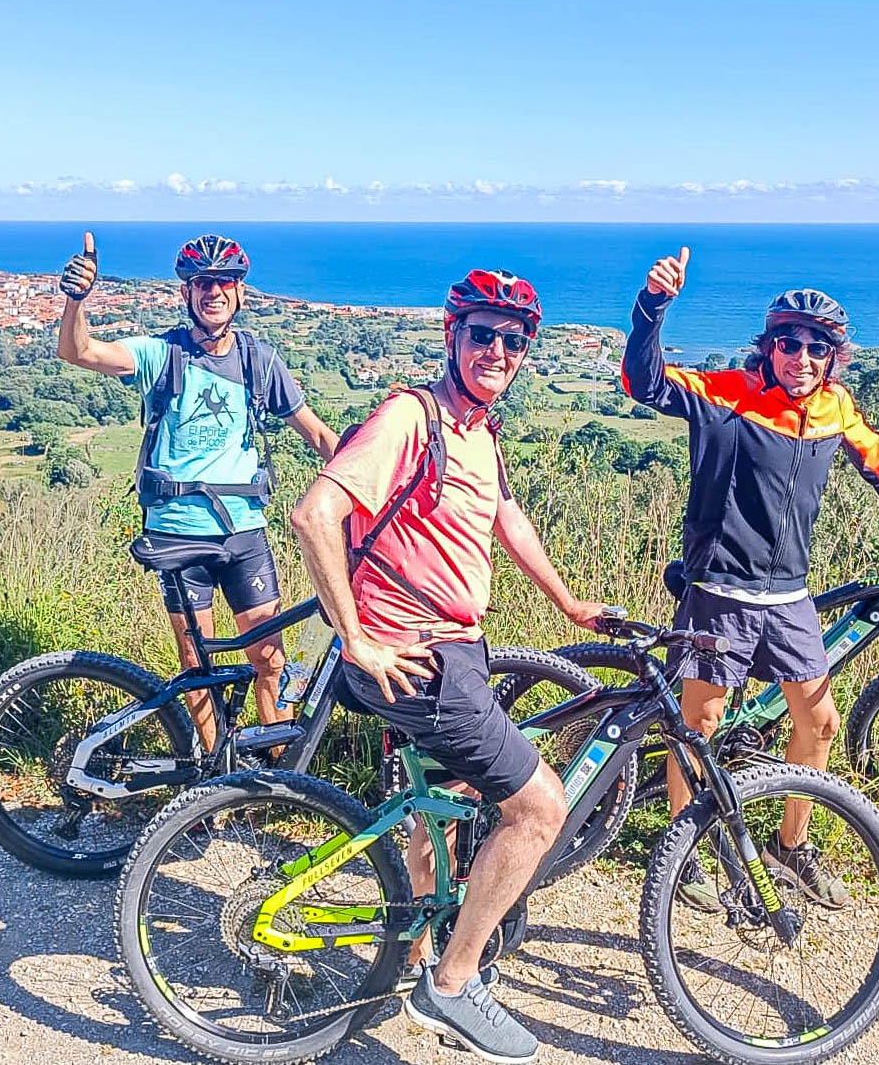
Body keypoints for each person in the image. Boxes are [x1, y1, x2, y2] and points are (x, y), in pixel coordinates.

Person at [290, 269, 603, 1065]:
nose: (499, 349)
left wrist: (567, 601)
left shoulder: (476, 429)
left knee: (447, 798)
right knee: (538, 808)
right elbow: (313, 512)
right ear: (452, 336)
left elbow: (503, 512)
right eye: (483, 334)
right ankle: (453, 985)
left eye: (514, 339)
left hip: (449, 651)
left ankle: (423, 950)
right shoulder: (409, 417)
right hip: (416, 657)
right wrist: (354, 635)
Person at [624, 248, 879, 908]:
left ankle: (790, 848)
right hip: (720, 591)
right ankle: (686, 853)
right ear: (768, 347)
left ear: (831, 357)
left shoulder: (833, 408)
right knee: (699, 725)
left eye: (816, 347)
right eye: (789, 342)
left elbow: (873, 454)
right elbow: (644, 383)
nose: (801, 356)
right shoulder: (729, 398)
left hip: (789, 594)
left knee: (818, 722)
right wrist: (653, 305)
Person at [56, 231, 338, 749]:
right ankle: (213, 774)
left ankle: (272, 778)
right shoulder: (162, 353)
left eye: (225, 283)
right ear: (186, 294)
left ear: (240, 293)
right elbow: (79, 352)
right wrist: (78, 299)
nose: (215, 292)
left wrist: (371, 486)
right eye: (203, 283)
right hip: (176, 533)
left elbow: (318, 433)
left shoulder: (259, 361)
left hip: (244, 532)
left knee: (269, 658)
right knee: (196, 661)